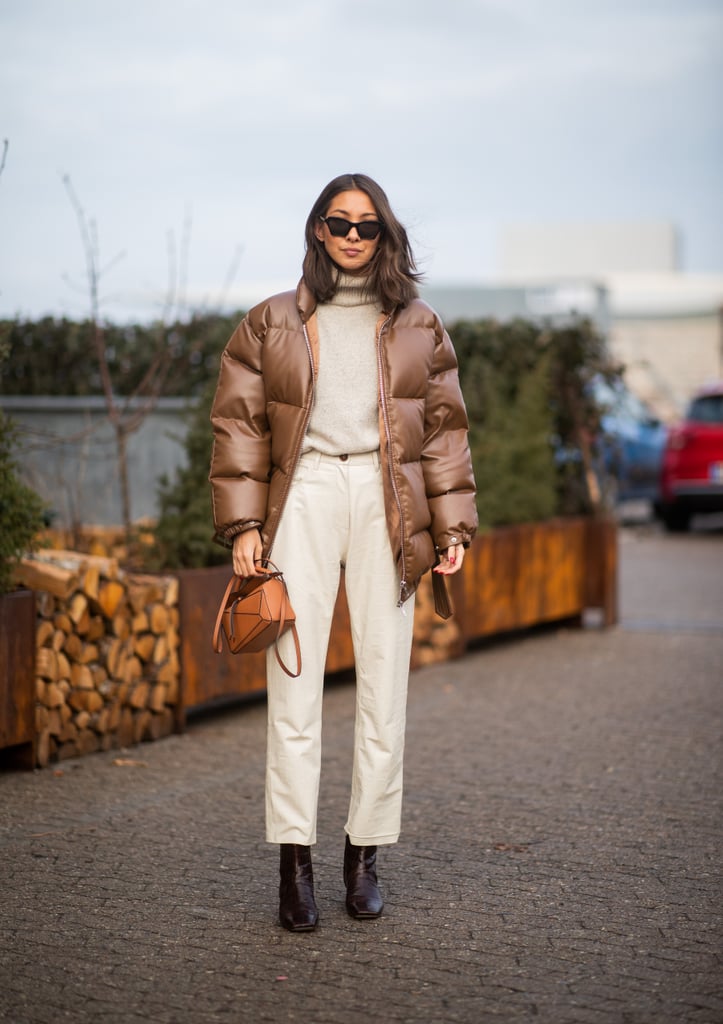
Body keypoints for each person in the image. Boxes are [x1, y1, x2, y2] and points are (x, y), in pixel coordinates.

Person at [209, 173, 477, 932]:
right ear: (318, 230)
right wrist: (243, 527)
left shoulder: (420, 324)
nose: (353, 237)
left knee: (384, 686)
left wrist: (452, 527)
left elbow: (446, 432)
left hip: (387, 500)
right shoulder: (268, 323)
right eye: (340, 223)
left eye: (367, 226)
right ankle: (294, 866)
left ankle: (364, 856)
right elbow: (238, 428)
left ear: (384, 235)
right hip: (304, 498)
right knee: (291, 690)